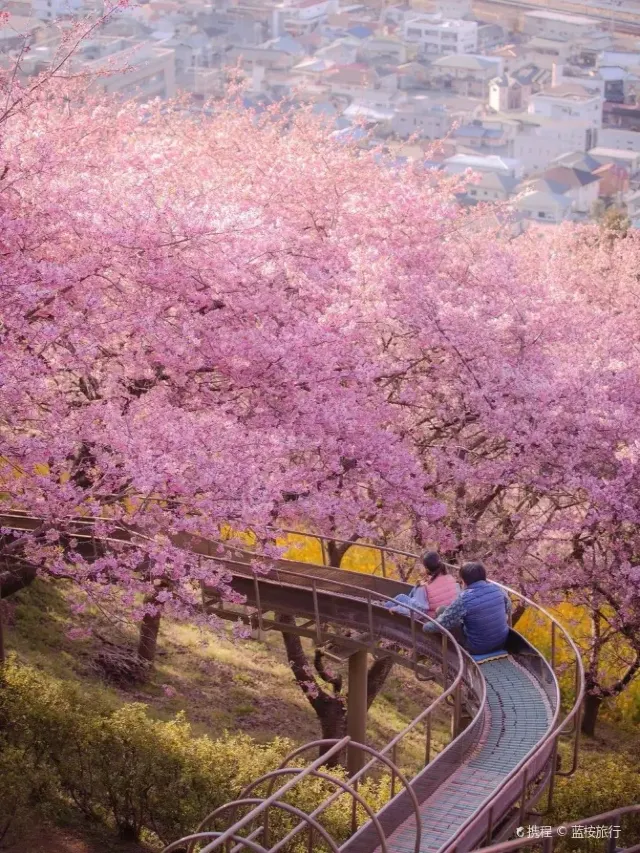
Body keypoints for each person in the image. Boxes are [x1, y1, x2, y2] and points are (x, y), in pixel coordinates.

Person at [423, 562, 512, 655]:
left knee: (441, 611)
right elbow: (508, 607)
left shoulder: (464, 599)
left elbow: (443, 622)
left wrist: (425, 626)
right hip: (502, 642)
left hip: (478, 648)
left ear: (464, 581)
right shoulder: (498, 589)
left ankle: (450, 651)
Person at [382, 551, 459, 619]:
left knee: (400, 599)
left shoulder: (424, 588)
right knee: (401, 597)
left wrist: (397, 609)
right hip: (446, 616)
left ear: (427, 569)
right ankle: (383, 608)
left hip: (429, 618)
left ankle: (381, 612)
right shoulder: (451, 578)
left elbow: (417, 613)